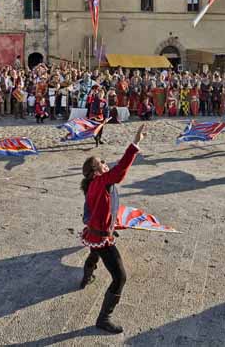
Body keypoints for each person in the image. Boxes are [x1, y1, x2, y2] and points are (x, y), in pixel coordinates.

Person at [79, 123, 146, 334]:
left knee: (94, 252)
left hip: (94, 233)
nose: (106, 163)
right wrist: (134, 143)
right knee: (120, 277)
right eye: (102, 162)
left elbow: (100, 207)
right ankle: (103, 319)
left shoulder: (94, 184)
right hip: (101, 237)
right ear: (95, 172)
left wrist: (111, 223)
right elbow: (120, 170)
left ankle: (86, 276)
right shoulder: (100, 181)